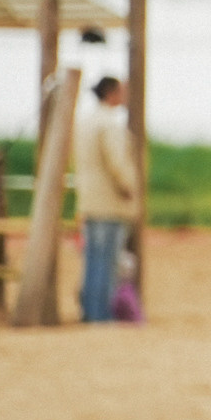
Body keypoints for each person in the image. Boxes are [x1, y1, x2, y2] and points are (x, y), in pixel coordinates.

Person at [72, 76, 139, 324]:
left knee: (92, 259)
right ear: (111, 93)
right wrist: (128, 186)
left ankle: (90, 310)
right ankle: (101, 314)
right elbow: (116, 162)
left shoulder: (85, 121)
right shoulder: (110, 124)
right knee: (108, 261)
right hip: (110, 201)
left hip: (90, 199)